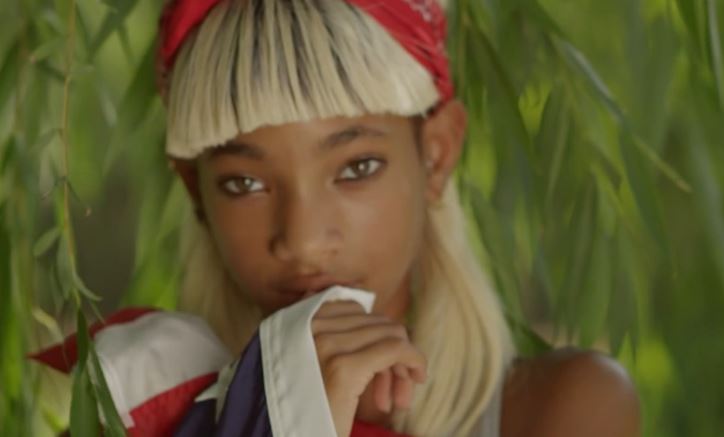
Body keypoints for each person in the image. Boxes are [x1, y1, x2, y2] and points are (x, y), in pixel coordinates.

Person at [37, 0, 640, 436]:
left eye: (356, 167)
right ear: (195, 191)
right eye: (244, 183)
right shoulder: (133, 413)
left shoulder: (561, 411)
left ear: (436, 155)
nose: (303, 241)